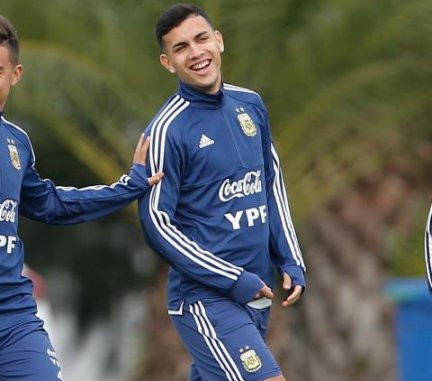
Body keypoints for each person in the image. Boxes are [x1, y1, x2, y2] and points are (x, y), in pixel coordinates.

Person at [0, 15, 162, 381]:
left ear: (16, 74)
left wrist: (130, 185)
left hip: (14, 320)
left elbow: (51, 204)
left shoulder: (17, 142)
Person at [137, 4, 307, 381]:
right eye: (181, 48)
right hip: (206, 299)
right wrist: (232, 279)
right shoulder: (167, 130)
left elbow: (271, 184)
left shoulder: (250, 104)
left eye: (201, 39)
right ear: (168, 63)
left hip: (257, 292)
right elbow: (156, 223)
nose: (196, 53)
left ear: (219, 40)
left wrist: (290, 259)